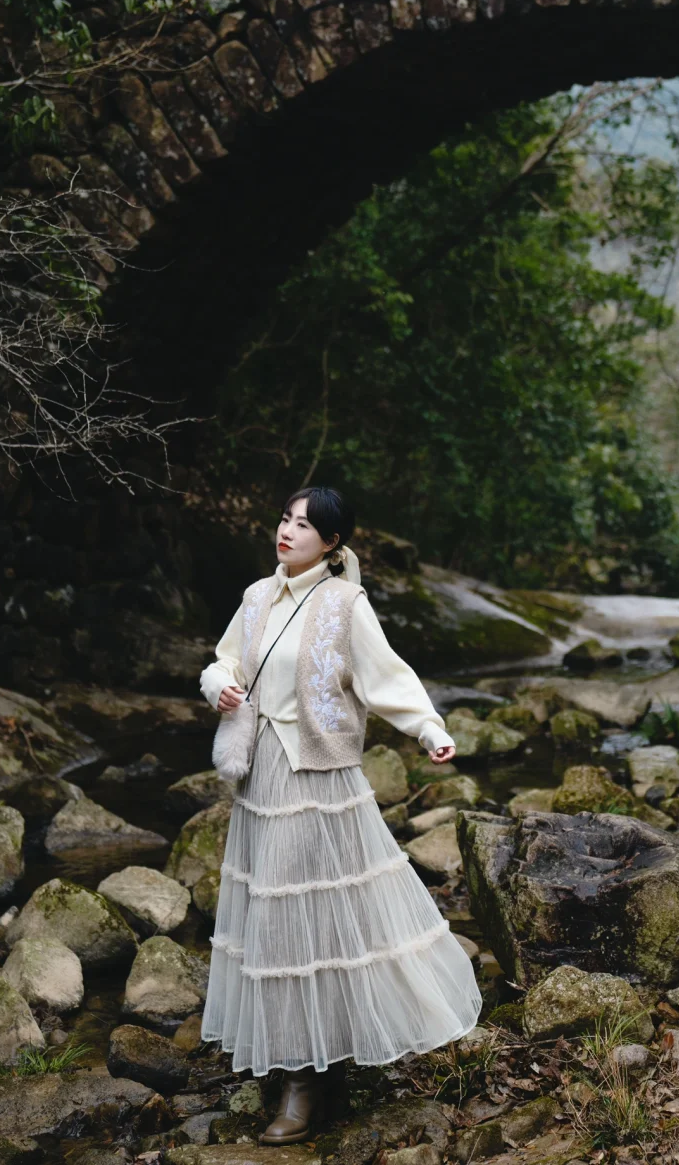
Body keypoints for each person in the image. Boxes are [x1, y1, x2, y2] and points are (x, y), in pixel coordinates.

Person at [199, 486, 483, 1144]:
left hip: (320, 776)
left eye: (304, 524)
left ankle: (308, 1080)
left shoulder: (344, 603)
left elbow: (387, 676)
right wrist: (220, 684)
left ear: (332, 541)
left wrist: (428, 728)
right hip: (261, 775)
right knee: (275, 918)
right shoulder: (255, 596)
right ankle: (304, 1063)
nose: (288, 531)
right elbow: (224, 660)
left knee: (314, 920)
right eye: (284, 518)